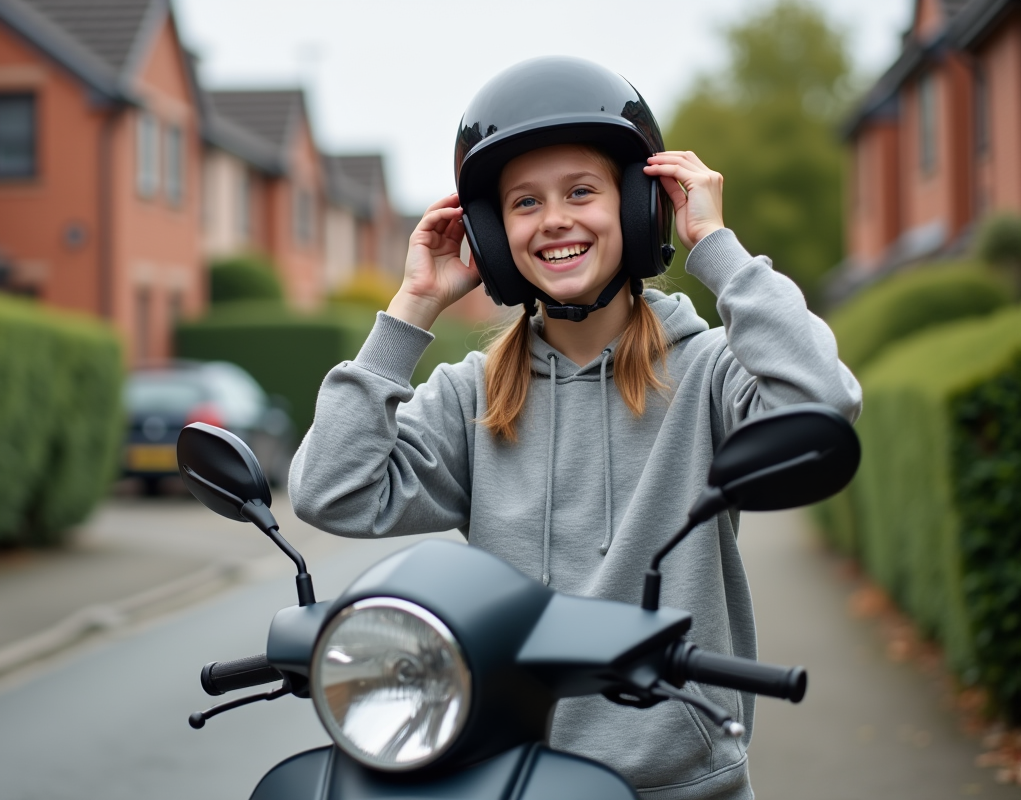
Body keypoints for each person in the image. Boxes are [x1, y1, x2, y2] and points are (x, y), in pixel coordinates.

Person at [289, 56, 861, 800]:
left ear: (637, 207)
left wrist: (716, 247)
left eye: (582, 192)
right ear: (493, 236)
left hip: (680, 785)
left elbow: (822, 398)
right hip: (505, 779)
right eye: (523, 203)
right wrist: (411, 310)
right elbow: (331, 490)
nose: (554, 219)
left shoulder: (708, 374)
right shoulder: (476, 397)